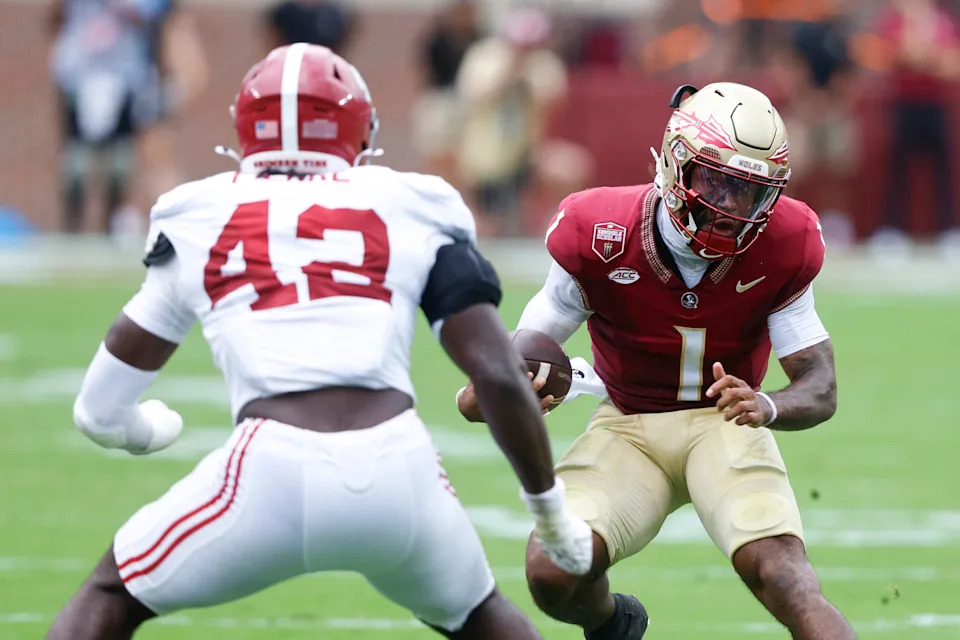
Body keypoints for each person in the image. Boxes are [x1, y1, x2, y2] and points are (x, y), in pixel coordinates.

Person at [46, 44, 593, 640]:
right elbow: (495, 370)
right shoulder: (410, 202)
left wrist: (141, 429)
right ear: (358, 129)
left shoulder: (198, 212)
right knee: (482, 618)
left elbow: (98, 409)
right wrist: (553, 516)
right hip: (397, 468)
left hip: (267, 469)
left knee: (111, 595)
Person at [457, 83, 857, 639]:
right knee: (553, 572)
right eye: (717, 181)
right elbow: (524, 352)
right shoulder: (598, 230)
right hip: (628, 427)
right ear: (675, 162)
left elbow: (820, 384)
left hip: (725, 424)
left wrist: (765, 404)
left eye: (750, 192)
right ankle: (612, 622)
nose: (731, 207)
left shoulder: (785, 240)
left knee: (785, 578)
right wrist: (494, 390)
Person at [49, 0, 176, 234]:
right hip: (80, 75)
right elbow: (54, 19)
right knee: (76, 160)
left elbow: (153, 17)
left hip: (123, 76)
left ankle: (110, 222)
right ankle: (72, 227)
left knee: (119, 159)